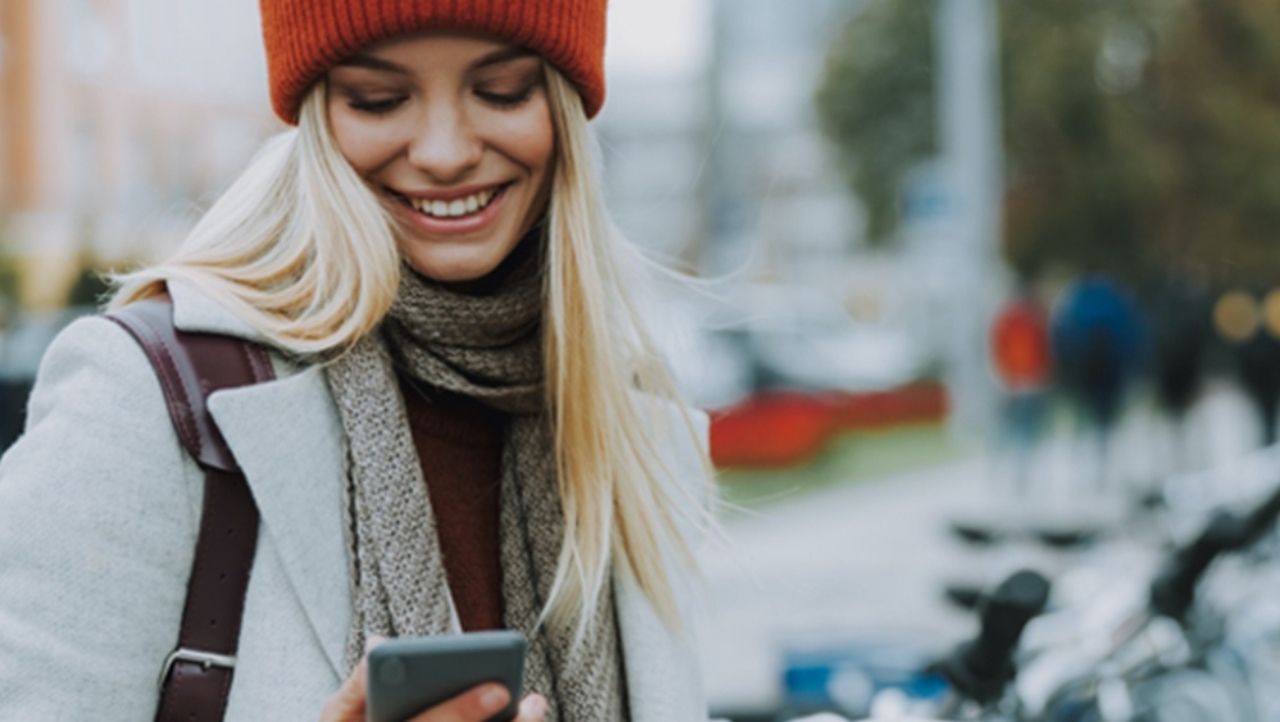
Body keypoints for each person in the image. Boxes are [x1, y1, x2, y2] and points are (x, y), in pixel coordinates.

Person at [0, 2, 721, 720]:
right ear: (316, 114)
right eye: (378, 100)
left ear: (566, 108)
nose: (444, 152)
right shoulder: (150, 399)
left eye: (501, 91)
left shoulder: (634, 429)